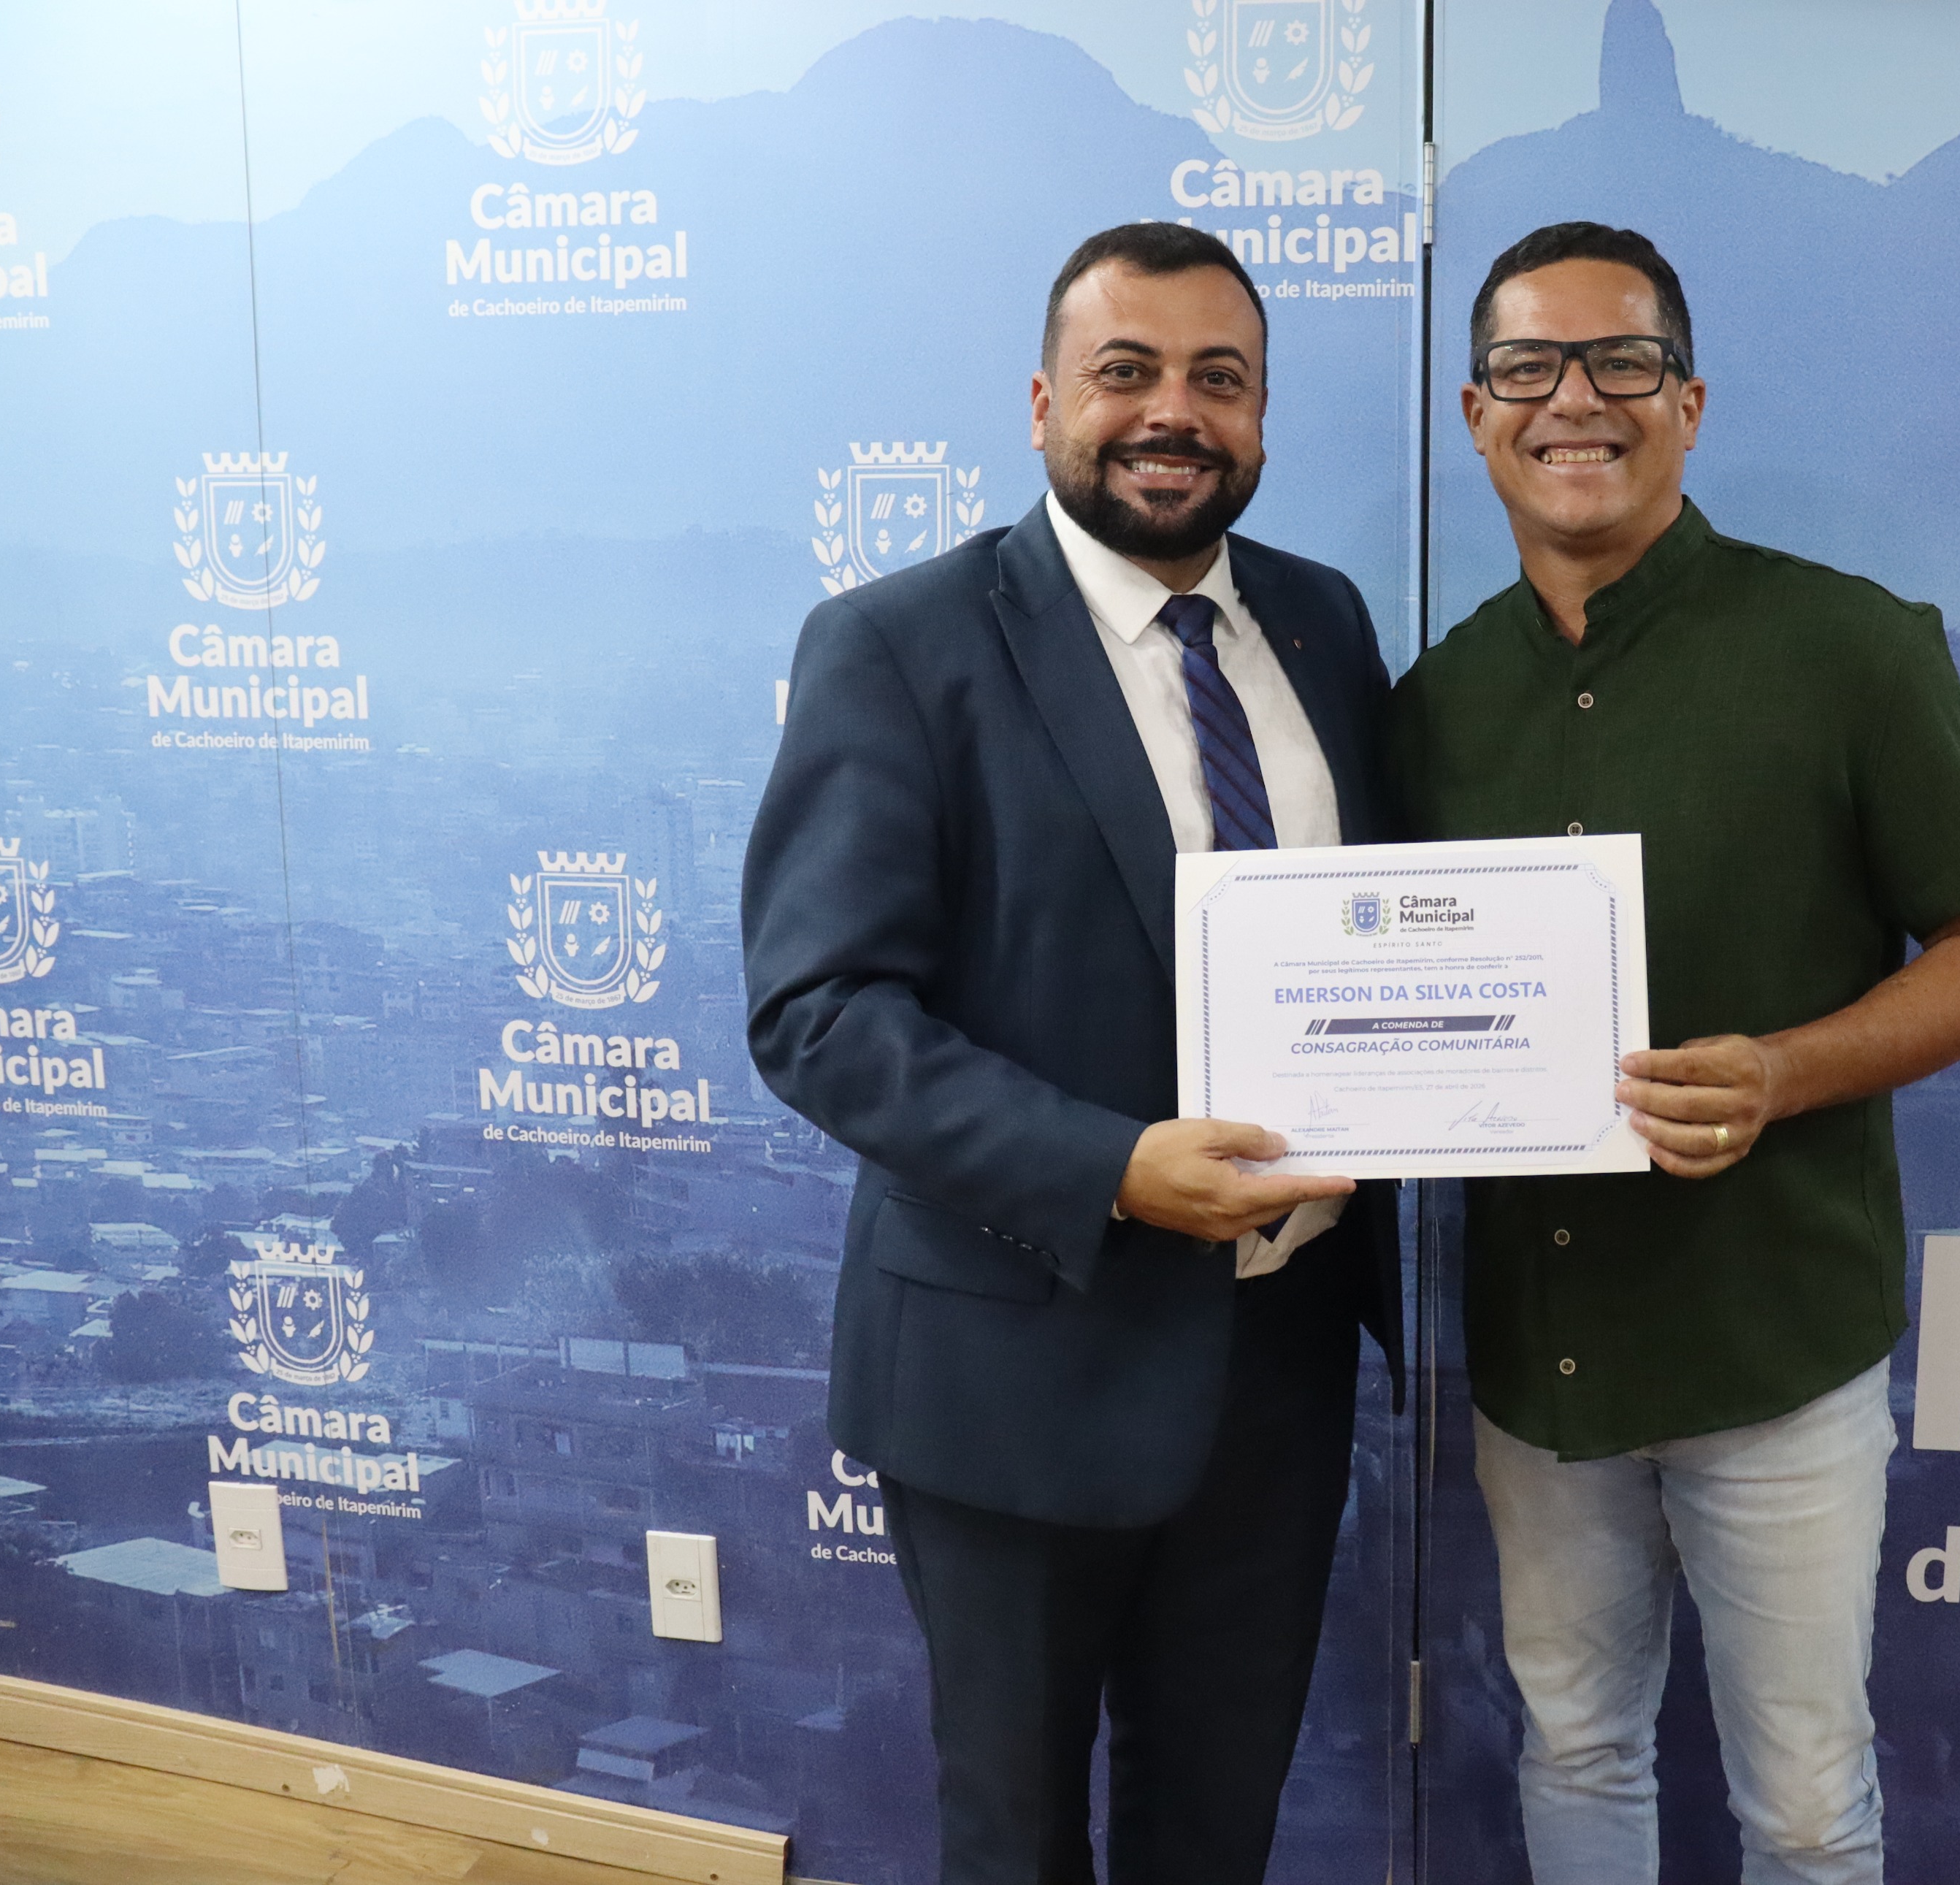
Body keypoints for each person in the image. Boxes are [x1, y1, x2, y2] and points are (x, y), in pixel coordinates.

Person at [743, 221, 1401, 1885]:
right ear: (1044, 403)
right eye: (1127, 372)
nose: (1173, 412)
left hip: (1277, 1361)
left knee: (1216, 1833)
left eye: (1219, 378)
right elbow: (820, 1011)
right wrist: (1111, 1168)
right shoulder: (899, 643)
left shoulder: (1323, 623)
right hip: (1015, 1365)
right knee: (1017, 1839)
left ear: (1261, 417)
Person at [1390, 221, 1960, 1885]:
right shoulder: (1432, 706)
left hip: (1776, 1344)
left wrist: (1780, 1072)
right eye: (1528, 366)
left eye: (1622, 361)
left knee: (1808, 1808)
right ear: (1476, 414)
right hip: (1545, 1354)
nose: (1574, 399)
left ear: (1688, 402)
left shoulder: (1849, 647)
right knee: (1575, 1745)